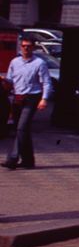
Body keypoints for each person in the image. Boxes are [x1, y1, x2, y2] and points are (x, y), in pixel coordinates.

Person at [2, 38, 53, 170]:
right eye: (23, 46)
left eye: (28, 46)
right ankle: (28, 161)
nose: (25, 48)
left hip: (31, 98)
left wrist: (44, 99)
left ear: (33, 48)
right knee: (23, 130)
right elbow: (10, 80)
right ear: (20, 47)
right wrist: (3, 80)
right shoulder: (15, 62)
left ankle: (12, 158)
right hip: (17, 98)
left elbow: (46, 82)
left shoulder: (39, 63)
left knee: (21, 128)